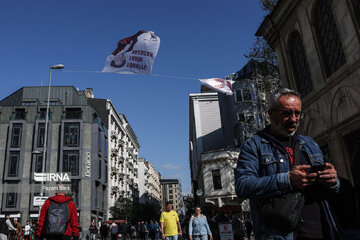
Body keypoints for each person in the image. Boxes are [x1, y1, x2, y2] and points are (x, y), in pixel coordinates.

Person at [235, 88, 341, 239]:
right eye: (286, 113)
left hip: (323, 230)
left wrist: (333, 181)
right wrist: (288, 180)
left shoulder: (309, 143)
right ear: (271, 114)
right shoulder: (254, 146)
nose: (293, 119)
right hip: (281, 235)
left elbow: (335, 183)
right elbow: (243, 186)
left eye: (297, 113)